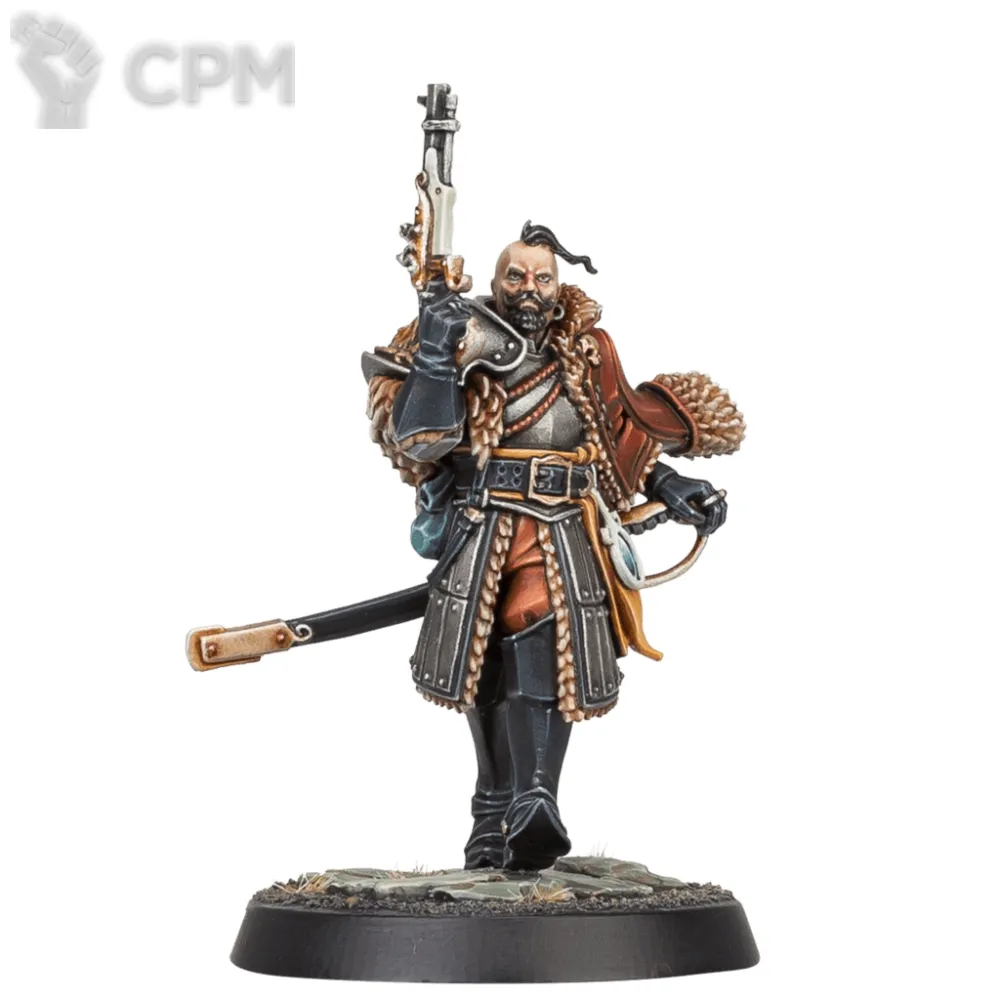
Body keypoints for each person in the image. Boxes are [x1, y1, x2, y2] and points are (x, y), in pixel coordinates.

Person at [363, 222, 745, 870]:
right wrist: (433, 345)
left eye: (543, 277)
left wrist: (671, 484)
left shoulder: (584, 353)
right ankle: (491, 807)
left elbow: (617, 437)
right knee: (481, 664)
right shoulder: (465, 340)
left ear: (558, 285)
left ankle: (536, 795)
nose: (530, 289)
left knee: (542, 633)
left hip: (563, 526)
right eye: (516, 276)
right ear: (495, 282)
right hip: (483, 521)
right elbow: (422, 438)